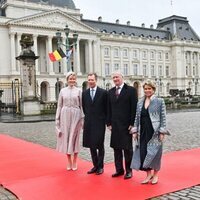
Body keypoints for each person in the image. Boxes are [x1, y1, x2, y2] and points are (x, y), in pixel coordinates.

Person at [130, 80, 170, 184]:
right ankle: (148, 175)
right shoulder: (140, 102)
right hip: (142, 131)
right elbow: (136, 118)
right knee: (144, 153)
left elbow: (163, 118)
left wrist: (162, 132)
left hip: (154, 132)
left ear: (153, 89)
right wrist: (134, 131)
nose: (147, 90)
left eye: (149, 88)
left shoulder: (159, 101)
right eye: (145, 88)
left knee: (155, 153)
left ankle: (156, 174)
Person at [107, 71, 138, 179]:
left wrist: (132, 124)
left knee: (127, 149)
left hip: (126, 125)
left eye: (117, 77)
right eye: (114, 77)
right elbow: (108, 109)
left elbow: (134, 108)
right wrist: (108, 123)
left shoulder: (131, 91)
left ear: (122, 77)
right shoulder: (110, 92)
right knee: (116, 149)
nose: (115, 79)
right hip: (114, 125)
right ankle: (119, 170)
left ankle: (129, 171)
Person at [55, 72, 83, 171]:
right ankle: (69, 161)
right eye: (70, 78)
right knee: (66, 137)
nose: (72, 80)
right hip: (65, 114)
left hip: (76, 114)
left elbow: (82, 106)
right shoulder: (62, 91)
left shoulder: (79, 91)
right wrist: (57, 119)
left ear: (75, 80)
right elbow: (59, 105)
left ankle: (75, 160)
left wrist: (83, 119)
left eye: (73, 78)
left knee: (74, 137)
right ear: (67, 80)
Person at [82, 73, 107, 175]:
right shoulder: (85, 93)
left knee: (99, 145)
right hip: (89, 122)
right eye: (89, 80)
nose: (90, 82)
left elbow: (106, 108)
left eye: (92, 80)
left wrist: (106, 121)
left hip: (100, 122)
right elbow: (84, 107)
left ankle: (100, 167)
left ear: (96, 80)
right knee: (91, 145)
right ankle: (95, 166)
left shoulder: (103, 93)